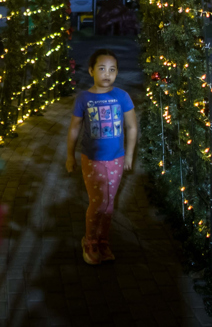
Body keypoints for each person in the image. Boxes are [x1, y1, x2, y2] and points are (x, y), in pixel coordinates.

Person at [65, 49, 139, 265]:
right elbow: (74, 129)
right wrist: (70, 156)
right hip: (92, 159)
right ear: (91, 71)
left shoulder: (122, 97)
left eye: (112, 69)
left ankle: (103, 241)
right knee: (97, 203)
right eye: (102, 68)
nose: (107, 73)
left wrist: (129, 156)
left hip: (116, 159)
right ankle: (89, 241)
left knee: (109, 205)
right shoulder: (84, 98)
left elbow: (132, 127)